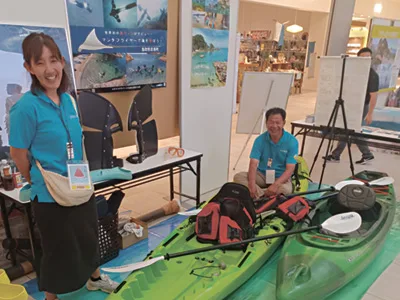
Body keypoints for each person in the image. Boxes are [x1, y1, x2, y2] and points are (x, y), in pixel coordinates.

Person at [9, 33, 118, 300]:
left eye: (54, 60)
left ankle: (94, 279)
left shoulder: (68, 100)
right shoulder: (25, 108)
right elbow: (18, 153)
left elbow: (76, 142)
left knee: (88, 235)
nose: (50, 69)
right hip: (49, 193)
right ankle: (51, 297)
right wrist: (35, 178)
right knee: (57, 248)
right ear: (29, 68)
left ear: (61, 62)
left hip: (79, 184)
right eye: (40, 63)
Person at [324, 47, 379, 164]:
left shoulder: (372, 75)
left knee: (352, 130)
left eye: (368, 58)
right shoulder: (355, 72)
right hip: (350, 104)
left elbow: (373, 96)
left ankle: (340, 155)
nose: (365, 60)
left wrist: (370, 113)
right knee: (348, 130)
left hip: (361, 107)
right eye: (362, 58)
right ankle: (361, 154)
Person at [233, 107, 299, 199]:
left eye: (277, 122)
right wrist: (251, 184)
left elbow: (290, 169)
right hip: (262, 175)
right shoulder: (260, 140)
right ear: (266, 123)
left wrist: (276, 185)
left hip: (280, 177)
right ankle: (264, 195)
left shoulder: (292, 141)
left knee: (285, 190)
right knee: (238, 177)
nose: (274, 126)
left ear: (283, 123)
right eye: (271, 122)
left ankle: (258, 195)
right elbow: (253, 163)